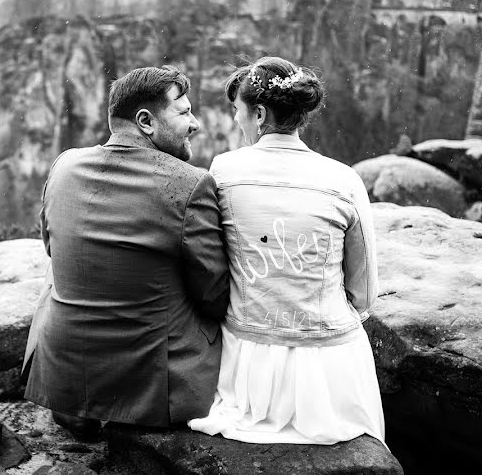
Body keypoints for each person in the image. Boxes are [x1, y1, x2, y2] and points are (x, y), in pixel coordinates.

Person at [22, 65, 230, 440]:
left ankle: (78, 401)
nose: (196, 123)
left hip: (64, 377)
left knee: (61, 272)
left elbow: (52, 249)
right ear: (146, 122)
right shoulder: (190, 183)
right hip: (150, 387)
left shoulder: (65, 164)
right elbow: (213, 295)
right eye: (183, 112)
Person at [188, 56, 386, 445]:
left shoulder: (224, 170)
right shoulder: (344, 178)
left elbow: (211, 265)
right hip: (331, 370)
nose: (235, 122)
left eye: (238, 112)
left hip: (250, 360)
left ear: (259, 114)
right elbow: (364, 292)